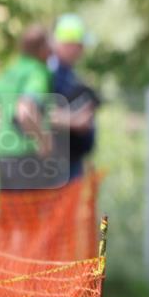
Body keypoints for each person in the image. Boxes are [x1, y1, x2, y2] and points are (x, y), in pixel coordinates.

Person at [0, 24, 57, 190]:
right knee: (31, 213)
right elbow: (24, 111)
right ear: (41, 48)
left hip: (3, 153)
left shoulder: (11, 70)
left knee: (9, 212)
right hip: (26, 156)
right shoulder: (37, 72)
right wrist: (43, 142)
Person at [48, 13, 99, 182]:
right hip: (57, 165)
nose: (82, 50)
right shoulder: (51, 74)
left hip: (72, 162)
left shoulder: (69, 74)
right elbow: (45, 112)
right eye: (79, 45)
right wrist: (75, 121)